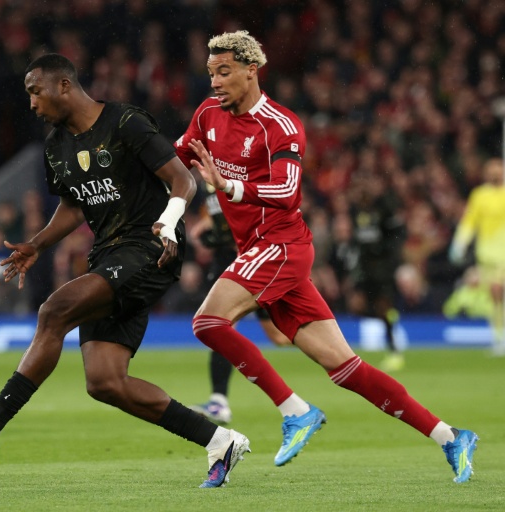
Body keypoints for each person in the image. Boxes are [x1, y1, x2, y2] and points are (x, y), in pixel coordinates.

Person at [176, 30, 478, 483]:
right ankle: (450, 436)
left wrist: (229, 186)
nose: (215, 82)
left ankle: (295, 411)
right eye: (211, 73)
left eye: (224, 72)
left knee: (208, 322)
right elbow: (175, 161)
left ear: (251, 70)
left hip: (279, 245)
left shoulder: (281, 124)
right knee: (345, 367)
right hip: (260, 250)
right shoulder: (207, 115)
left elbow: (286, 190)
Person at [0, 54, 250, 489]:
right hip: (109, 257)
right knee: (105, 382)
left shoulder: (125, 123)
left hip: (150, 247)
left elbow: (184, 180)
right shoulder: (56, 147)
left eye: (35, 91)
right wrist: (36, 244)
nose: (31, 104)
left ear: (64, 85)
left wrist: (169, 223)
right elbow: (73, 206)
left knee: (54, 311)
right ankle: (220, 440)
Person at [189, 181, 290, 425]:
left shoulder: (234, 175)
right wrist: (209, 233)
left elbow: (252, 215)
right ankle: (219, 401)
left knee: (276, 337)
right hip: (226, 260)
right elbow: (211, 221)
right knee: (221, 327)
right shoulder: (207, 185)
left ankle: (324, 342)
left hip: (247, 260)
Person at [349, 176, 406, 371]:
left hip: (382, 270)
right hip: (365, 270)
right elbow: (357, 242)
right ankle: (382, 336)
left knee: (384, 307)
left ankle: (393, 350)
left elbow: (397, 235)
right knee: (359, 306)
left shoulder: (383, 210)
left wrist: (390, 259)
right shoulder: (355, 212)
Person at [449, 158, 505, 356]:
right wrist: (459, 244)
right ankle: (499, 337)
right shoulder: (480, 195)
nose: (495, 174)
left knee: (498, 291)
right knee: (494, 296)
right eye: (491, 171)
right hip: (487, 255)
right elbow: (469, 222)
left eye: (498, 171)